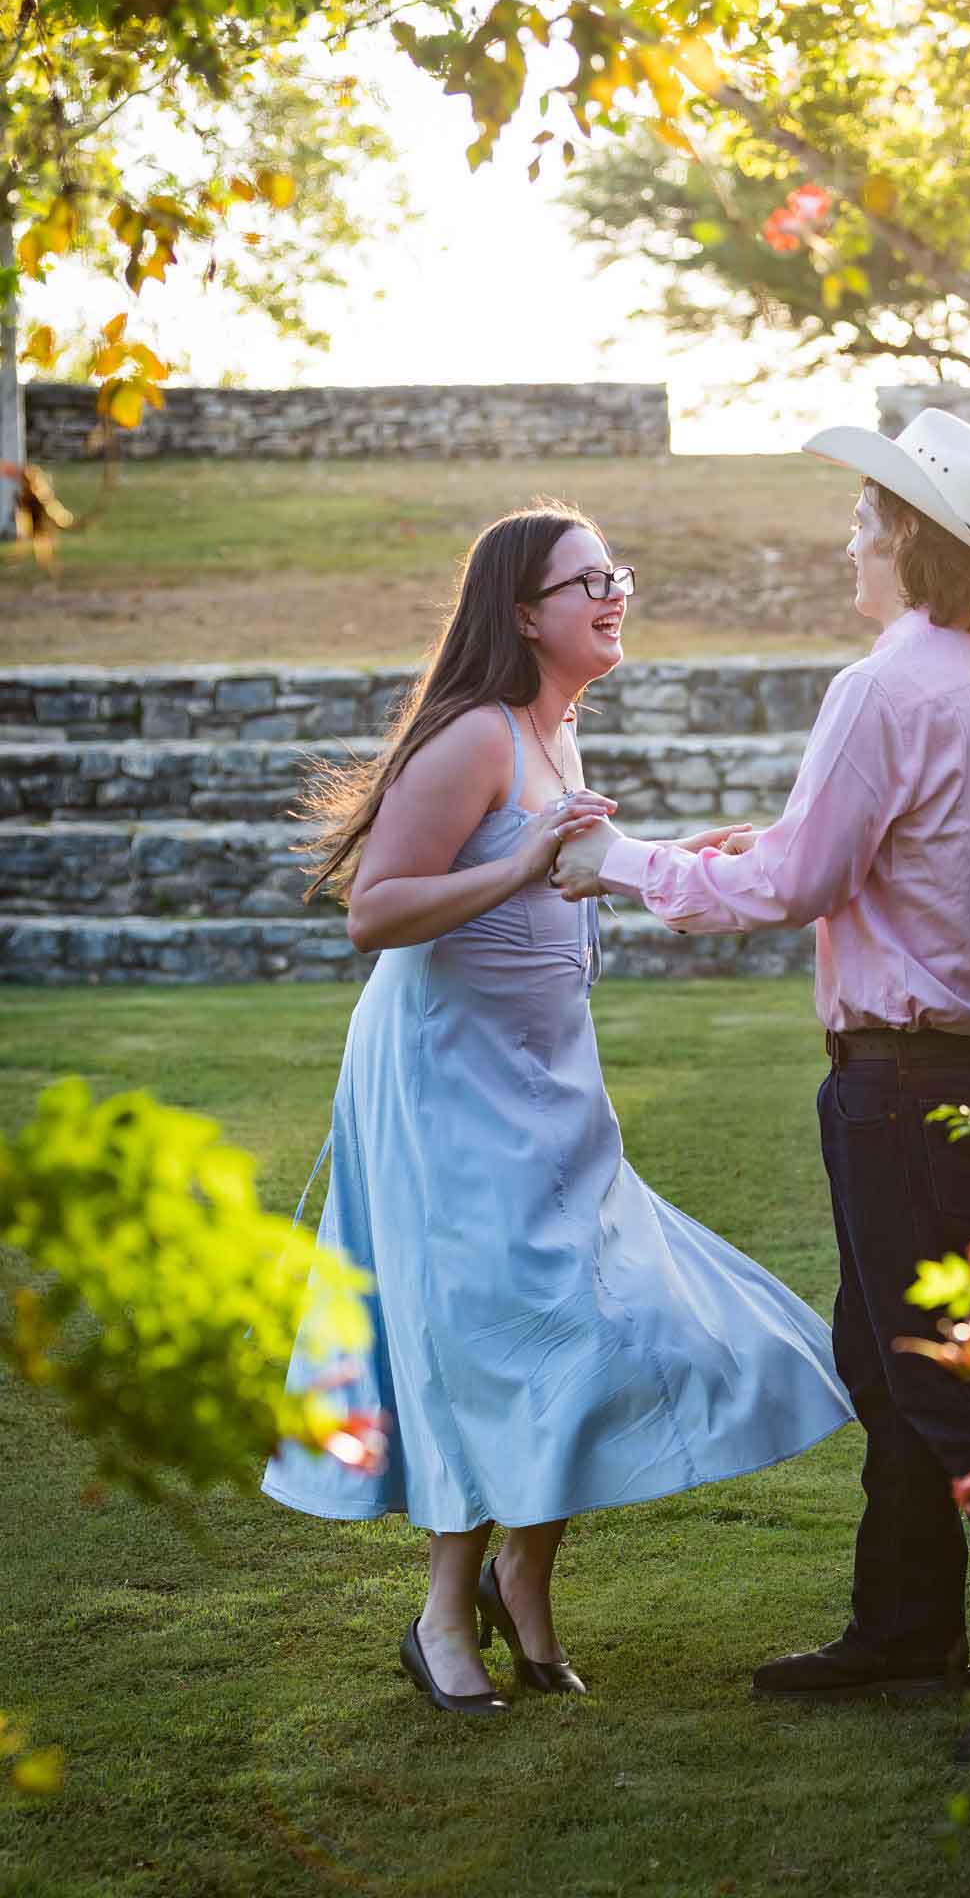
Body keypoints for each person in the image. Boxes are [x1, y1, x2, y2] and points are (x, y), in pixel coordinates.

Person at [554, 411, 970, 1742]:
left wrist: (623, 861)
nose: (848, 534)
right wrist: (751, 844)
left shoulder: (887, 684)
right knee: (893, 1355)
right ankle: (905, 1635)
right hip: (955, 1072)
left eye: (865, 516)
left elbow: (804, 882)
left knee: (949, 1379)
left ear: (908, 538)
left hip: (900, 1081)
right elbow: (861, 850)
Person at [262, 502, 853, 1718]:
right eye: (587, 579)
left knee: (588, 1315)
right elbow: (377, 911)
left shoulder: (557, 729)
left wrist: (674, 852)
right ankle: (443, 1616)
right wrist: (521, 863)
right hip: (446, 1079)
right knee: (485, 1329)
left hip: (544, 1073)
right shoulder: (477, 733)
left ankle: (523, 1579)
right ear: (521, 612)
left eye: (616, 573)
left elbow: (557, 873)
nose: (613, 592)